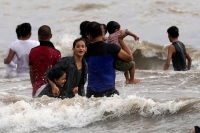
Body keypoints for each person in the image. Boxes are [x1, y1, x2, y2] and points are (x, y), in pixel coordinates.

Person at [84, 21, 138, 98]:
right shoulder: (112, 48)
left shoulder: (85, 50)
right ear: (102, 33)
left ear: (89, 36)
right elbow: (130, 58)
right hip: (109, 90)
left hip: (91, 92)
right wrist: (121, 40)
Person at [29, 25, 61, 97]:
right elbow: (59, 73)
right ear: (51, 36)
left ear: (39, 36)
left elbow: (31, 71)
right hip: (51, 88)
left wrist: (33, 85)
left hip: (37, 88)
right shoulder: (56, 53)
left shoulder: (32, 51)